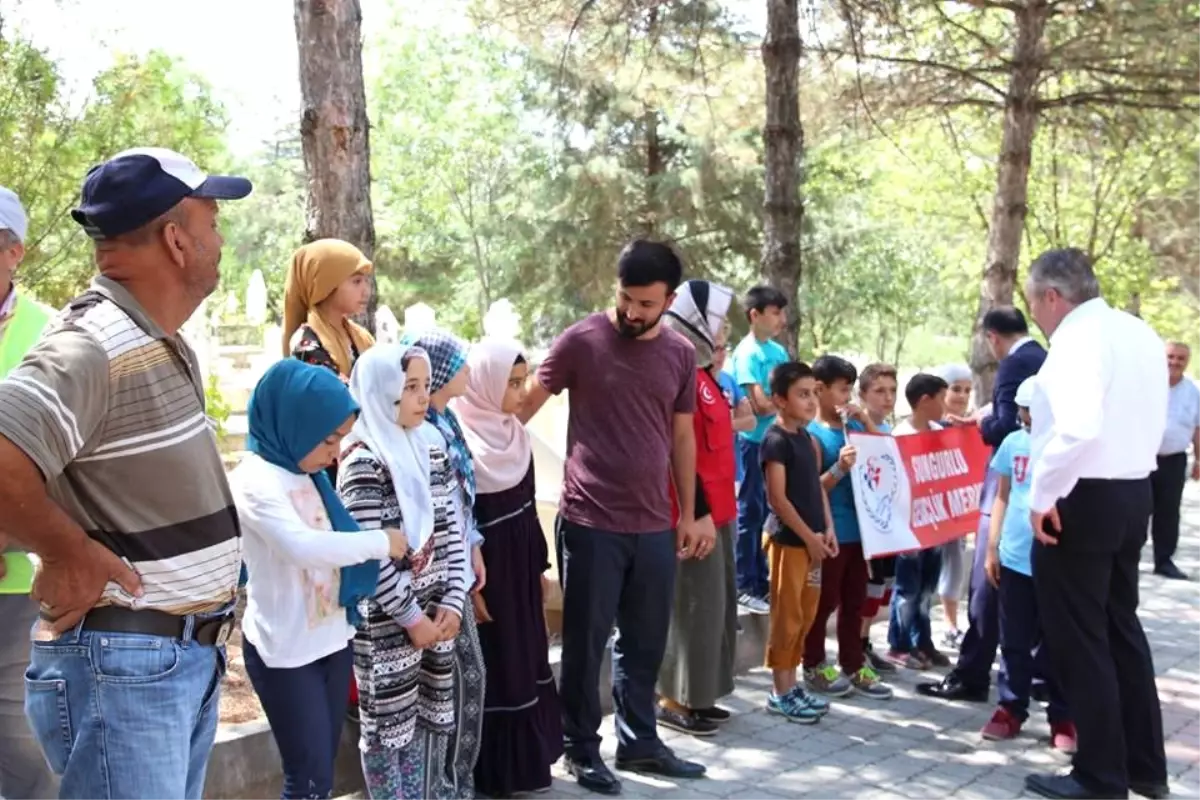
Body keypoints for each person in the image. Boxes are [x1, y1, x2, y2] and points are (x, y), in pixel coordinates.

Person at [0, 147, 250, 799]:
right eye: (212, 220)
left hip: (164, 664)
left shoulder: (150, 339)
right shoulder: (92, 342)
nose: (218, 238)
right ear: (175, 240)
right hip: (126, 668)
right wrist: (66, 550)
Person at [520, 239, 706, 794]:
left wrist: (689, 513)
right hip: (589, 520)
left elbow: (681, 435)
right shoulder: (582, 339)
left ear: (670, 300)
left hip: (653, 523)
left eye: (646, 304)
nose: (632, 311)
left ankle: (640, 743)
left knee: (644, 642)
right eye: (625, 298)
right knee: (585, 642)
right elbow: (523, 407)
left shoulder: (679, 354)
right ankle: (579, 748)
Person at [1021, 249, 1169, 800]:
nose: (1036, 313)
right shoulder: (1139, 332)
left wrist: (1042, 495)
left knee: (1081, 639)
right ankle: (1144, 766)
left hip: (1080, 497)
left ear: (1052, 297)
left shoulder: (1077, 341)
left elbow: (1078, 429)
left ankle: (1100, 775)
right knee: (1121, 630)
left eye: (1035, 302)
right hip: (1133, 490)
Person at [230, 359, 410, 799]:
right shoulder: (254, 480)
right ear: (295, 423)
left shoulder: (307, 471)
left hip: (331, 638)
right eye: (329, 439)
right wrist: (380, 542)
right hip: (286, 652)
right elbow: (303, 547)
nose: (335, 452)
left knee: (321, 772)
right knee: (307, 776)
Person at [337, 343, 470, 799]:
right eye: (409, 387)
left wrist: (454, 600)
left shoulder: (429, 446)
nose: (421, 396)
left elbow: (450, 528)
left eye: (424, 386)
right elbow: (368, 554)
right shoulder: (362, 460)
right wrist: (412, 618)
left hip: (434, 615)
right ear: (381, 391)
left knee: (421, 724)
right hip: (389, 623)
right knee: (385, 731)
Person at [452, 338, 563, 795]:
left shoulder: (515, 435)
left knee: (524, 654)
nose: (522, 393)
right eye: (512, 383)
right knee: (496, 661)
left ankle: (527, 766)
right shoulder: (460, 440)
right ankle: (493, 773)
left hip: (518, 568)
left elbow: (526, 505)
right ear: (484, 384)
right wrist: (471, 588)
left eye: (523, 381)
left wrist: (538, 567)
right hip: (487, 572)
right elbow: (461, 520)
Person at [919, 307, 1045, 703]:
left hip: (1010, 483)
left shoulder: (1013, 366)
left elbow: (1006, 425)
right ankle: (1039, 679)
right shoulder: (1046, 357)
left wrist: (979, 425)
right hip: (1044, 486)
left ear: (993, 337)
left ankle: (973, 672)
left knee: (986, 580)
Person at [398, 328, 487, 799]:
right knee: (438, 693)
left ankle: (457, 784)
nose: (467, 372)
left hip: (453, 576)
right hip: (421, 585)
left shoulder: (445, 424)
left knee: (466, 682)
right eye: (459, 363)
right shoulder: (418, 433)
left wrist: (471, 549)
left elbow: (458, 504)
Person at [656, 280, 740, 737]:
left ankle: (700, 695)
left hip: (721, 511)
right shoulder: (677, 373)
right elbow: (676, 448)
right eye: (718, 321)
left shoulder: (704, 374)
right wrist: (697, 510)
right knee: (690, 607)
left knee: (715, 609)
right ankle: (673, 697)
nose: (724, 330)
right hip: (690, 512)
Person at [979, 377, 1076, 753]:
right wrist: (992, 547)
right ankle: (1010, 707)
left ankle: (1063, 714)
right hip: (1016, 556)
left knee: (1058, 641)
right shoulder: (1013, 444)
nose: (1032, 416)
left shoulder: (1069, 448)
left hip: (1057, 560)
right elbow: (1002, 496)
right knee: (1014, 638)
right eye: (1027, 409)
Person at [0, 185, 57, 800]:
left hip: (17, 579)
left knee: (20, 747)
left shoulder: (50, 334)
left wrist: (13, 533)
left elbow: (69, 464)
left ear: (13, 252)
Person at [804, 355, 893, 699]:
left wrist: (867, 422)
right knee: (824, 601)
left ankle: (853, 663)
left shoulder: (854, 427)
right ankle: (812, 662)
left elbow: (888, 458)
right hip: (833, 532)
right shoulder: (813, 435)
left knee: (855, 601)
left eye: (849, 390)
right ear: (820, 389)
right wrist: (840, 468)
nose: (846, 397)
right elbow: (813, 488)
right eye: (842, 390)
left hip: (863, 530)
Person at [761, 361, 835, 723]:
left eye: (814, 393)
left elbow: (817, 488)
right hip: (789, 543)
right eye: (802, 394)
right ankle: (780, 691)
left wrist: (828, 530)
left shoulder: (809, 438)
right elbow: (779, 499)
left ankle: (793, 686)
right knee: (786, 617)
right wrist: (809, 538)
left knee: (805, 615)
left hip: (814, 544)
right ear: (779, 399)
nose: (811, 401)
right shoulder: (775, 441)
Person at [730, 285, 790, 614]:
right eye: (775, 313)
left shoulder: (778, 352)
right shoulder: (747, 353)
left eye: (782, 313)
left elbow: (785, 397)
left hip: (776, 441)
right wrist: (781, 404)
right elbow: (758, 404)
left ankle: (762, 579)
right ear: (755, 315)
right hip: (752, 443)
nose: (782, 319)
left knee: (770, 511)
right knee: (749, 510)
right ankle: (744, 582)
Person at [886, 373, 950, 670]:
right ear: (925, 400)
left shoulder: (940, 431)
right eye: (942, 397)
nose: (946, 404)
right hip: (909, 525)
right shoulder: (901, 435)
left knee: (927, 588)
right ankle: (899, 643)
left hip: (935, 522)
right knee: (908, 588)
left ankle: (923, 640)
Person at [853, 363, 899, 675]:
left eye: (892, 391)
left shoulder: (888, 429)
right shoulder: (858, 429)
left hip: (888, 526)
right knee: (866, 588)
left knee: (882, 589)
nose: (887, 398)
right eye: (879, 391)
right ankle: (854, 646)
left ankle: (865, 641)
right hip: (865, 528)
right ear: (863, 394)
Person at [283, 238, 375, 380]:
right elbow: (334, 394)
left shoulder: (361, 337)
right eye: (356, 281)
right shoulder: (306, 343)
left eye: (366, 281)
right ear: (325, 285)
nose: (366, 291)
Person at [1150, 341, 1199, 580]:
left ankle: (1164, 560)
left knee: (1169, 511)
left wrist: (1199, 461)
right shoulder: (1147, 385)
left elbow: (1198, 428)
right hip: (1142, 457)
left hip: (1174, 459)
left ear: (1187, 362)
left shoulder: (1192, 392)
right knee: (1135, 509)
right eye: (1170, 357)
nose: (1174, 362)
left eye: (1180, 358)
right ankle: (1125, 558)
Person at [932, 364, 973, 647]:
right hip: (930, 510)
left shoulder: (973, 427)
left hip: (958, 511)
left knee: (955, 565)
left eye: (967, 390)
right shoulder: (929, 426)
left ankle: (951, 623)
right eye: (956, 389)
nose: (962, 396)